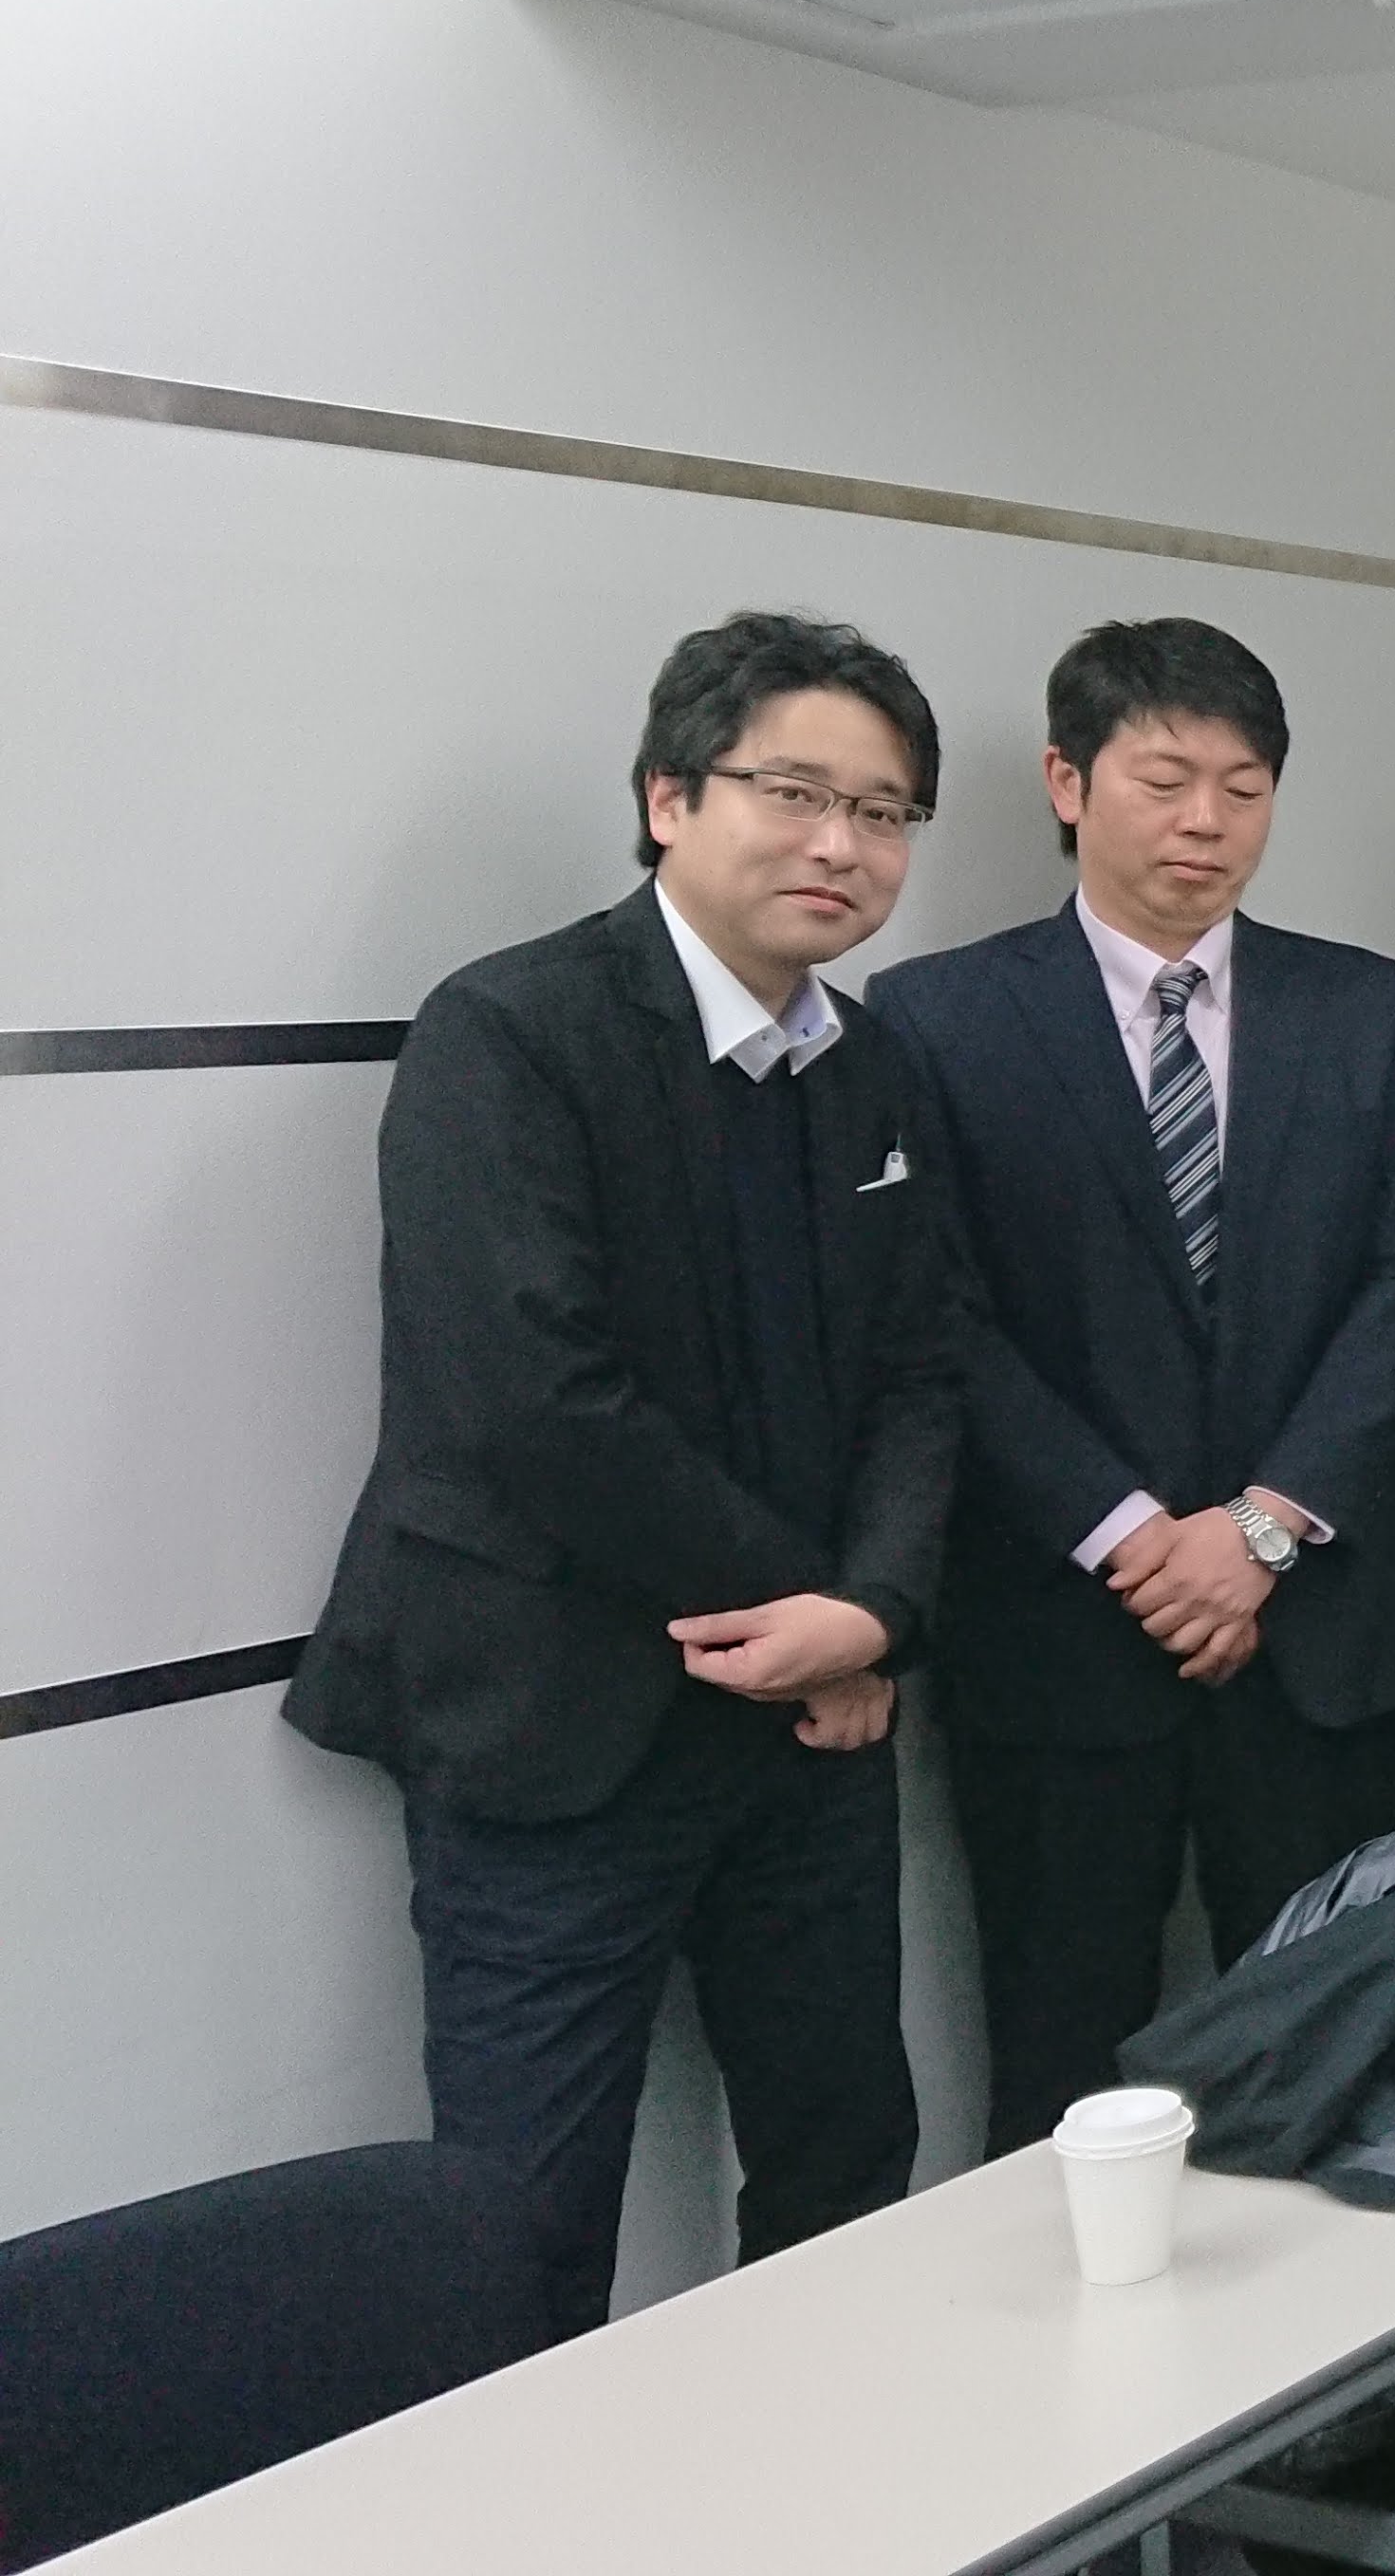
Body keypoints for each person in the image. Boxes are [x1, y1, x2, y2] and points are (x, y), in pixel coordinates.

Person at [285, 613, 957, 2334]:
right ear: (669, 798)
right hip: (554, 1727)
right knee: (517, 2234)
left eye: (882, 813)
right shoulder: (511, 1032)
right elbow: (533, 1402)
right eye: (794, 792)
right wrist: (815, 1613)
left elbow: (920, 1374)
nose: (840, 844)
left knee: (843, 2178)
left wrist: (873, 1612)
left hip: (812, 1735)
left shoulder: (872, 1066)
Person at [868, 619, 1395, 2151]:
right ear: (1067, 782)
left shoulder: (1373, 1008)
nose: (1206, 821)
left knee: (1333, 2046)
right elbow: (939, 1312)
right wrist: (1135, 1534)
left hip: (1317, 1625)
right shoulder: (937, 1018)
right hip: (1063, 1628)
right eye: (1165, 780)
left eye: (1243, 787)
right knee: (1060, 2055)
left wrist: (1260, 1529)